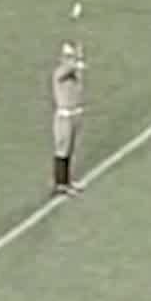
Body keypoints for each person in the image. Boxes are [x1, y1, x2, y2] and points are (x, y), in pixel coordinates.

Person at [51, 40, 86, 197]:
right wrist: (76, 60)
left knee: (70, 150)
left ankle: (67, 181)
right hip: (64, 117)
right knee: (62, 150)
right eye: (68, 56)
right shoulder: (59, 73)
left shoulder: (74, 73)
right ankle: (60, 184)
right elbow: (67, 71)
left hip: (73, 115)